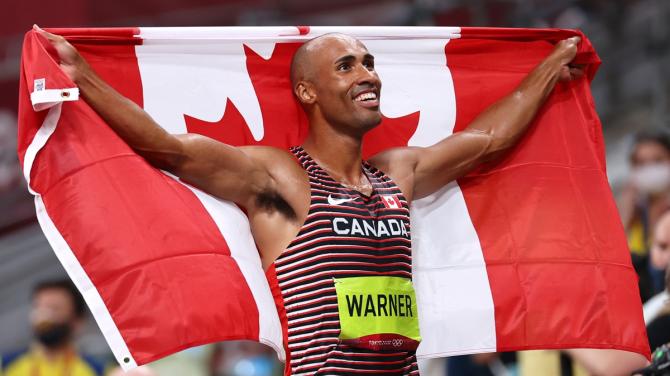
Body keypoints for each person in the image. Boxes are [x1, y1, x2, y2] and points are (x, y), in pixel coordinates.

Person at [37, 25, 583, 375]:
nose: (367, 74)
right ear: (307, 92)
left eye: (369, 62)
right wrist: (82, 75)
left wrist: (551, 66)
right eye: (346, 66)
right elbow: (169, 149)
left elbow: (490, 141)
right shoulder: (279, 177)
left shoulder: (398, 172)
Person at [1, 279, 104, 376]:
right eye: (39, 307)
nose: (44, 316)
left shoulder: (98, 370)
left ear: (77, 321)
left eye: (54, 309)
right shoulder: (6, 365)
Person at [619, 131, 670, 300]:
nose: (649, 169)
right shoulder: (634, 216)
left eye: (657, 160)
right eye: (641, 163)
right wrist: (623, 220)